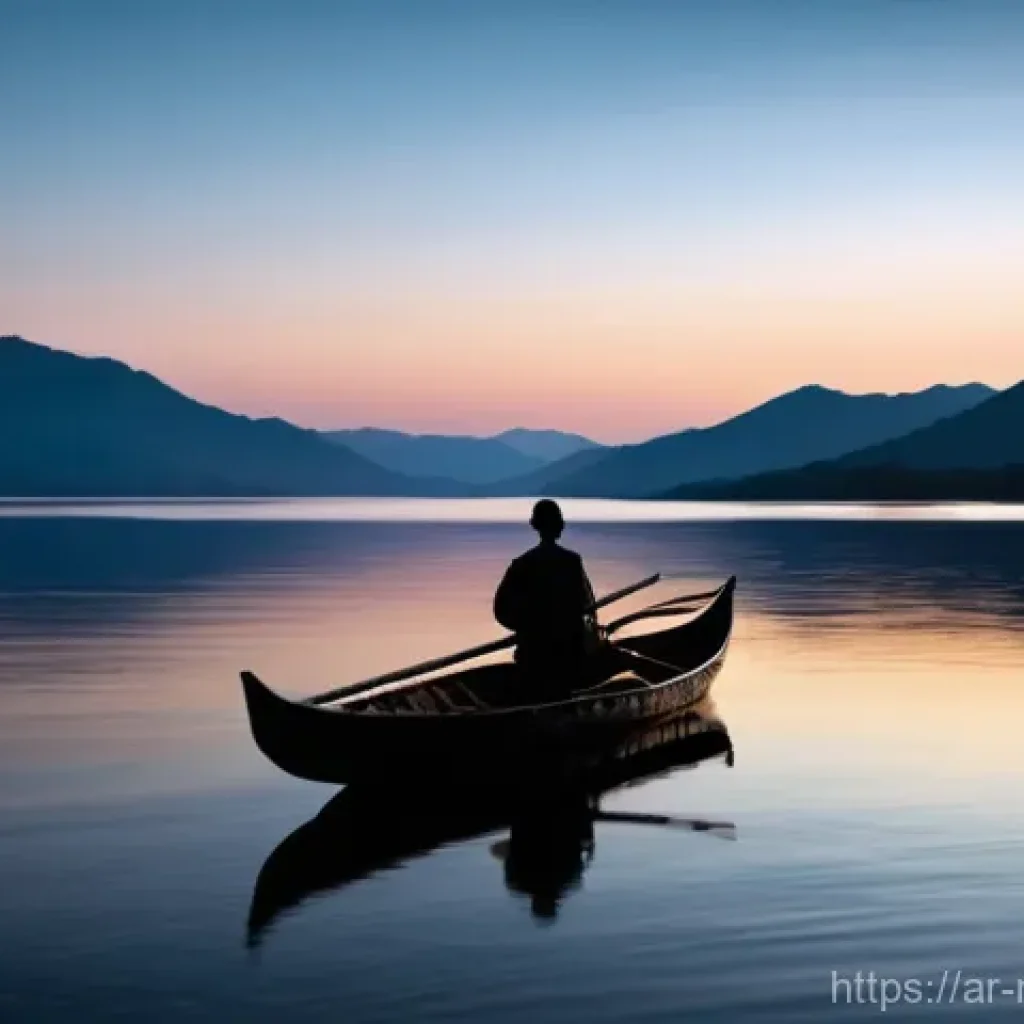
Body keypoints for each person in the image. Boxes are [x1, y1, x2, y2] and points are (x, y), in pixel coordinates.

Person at [493, 499, 597, 696]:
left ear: (536, 526)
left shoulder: (521, 564)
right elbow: (588, 607)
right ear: (559, 526)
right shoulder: (572, 562)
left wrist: (526, 628)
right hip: (567, 661)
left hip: (531, 659)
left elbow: (501, 610)